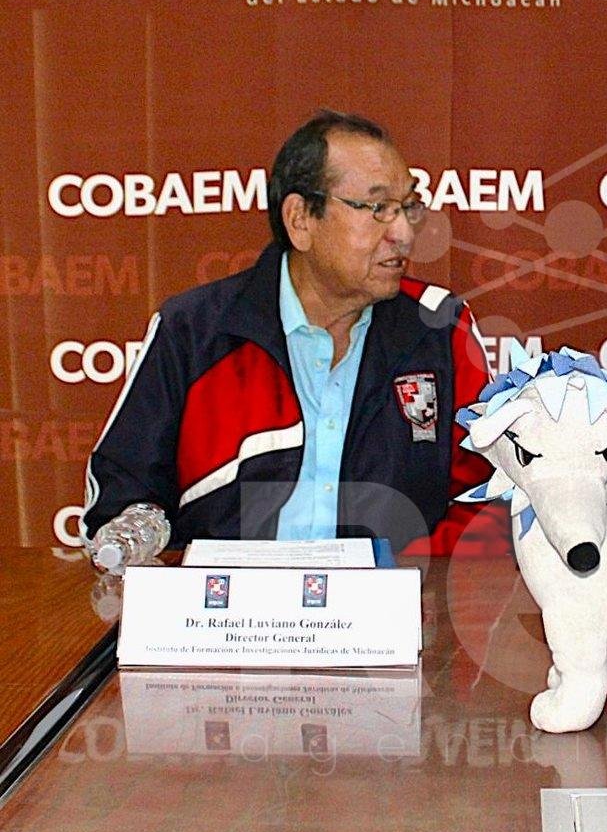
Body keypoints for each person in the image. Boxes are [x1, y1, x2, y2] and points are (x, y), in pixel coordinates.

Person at [82, 110, 502, 555]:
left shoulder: (438, 328)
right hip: (228, 598)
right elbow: (119, 502)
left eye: (408, 208)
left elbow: (491, 497)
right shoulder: (196, 331)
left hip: (391, 595)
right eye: (377, 209)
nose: (403, 233)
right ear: (300, 219)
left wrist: (400, 577)